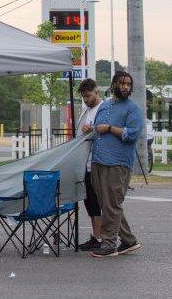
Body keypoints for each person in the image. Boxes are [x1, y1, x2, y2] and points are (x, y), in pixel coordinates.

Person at [88, 71, 143, 258]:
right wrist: (90, 129)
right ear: (114, 85)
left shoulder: (133, 109)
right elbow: (97, 129)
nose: (126, 87)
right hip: (98, 161)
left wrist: (110, 129)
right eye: (122, 83)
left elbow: (132, 134)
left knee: (112, 204)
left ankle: (109, 245)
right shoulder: (105, 106)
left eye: (128, 84)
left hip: (118, 164)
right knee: (107, 204)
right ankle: (129, 240)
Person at [75, 78, 104, 252]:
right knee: (89, 201)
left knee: (97, 200)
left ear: (96, 92)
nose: (86, 99)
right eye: (84, 97)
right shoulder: (86, 109)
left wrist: (91, 130)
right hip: (85, 161)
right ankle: (95, 235)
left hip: (96, 160)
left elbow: (102, 129)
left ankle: (100, 236)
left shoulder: (103, 108)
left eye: (88, 96)